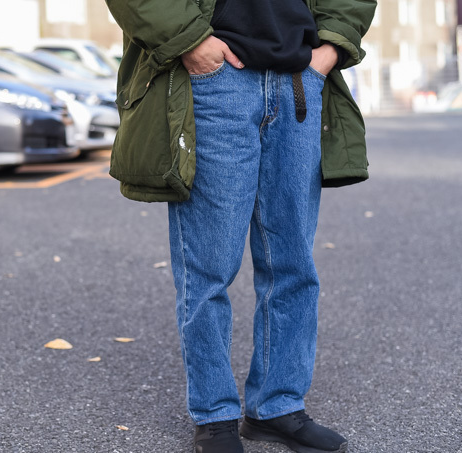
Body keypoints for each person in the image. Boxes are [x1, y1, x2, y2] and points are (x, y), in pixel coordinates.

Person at [105, 1, 376, 452]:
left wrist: (327, 52)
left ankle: (278, 406)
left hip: (298, 79)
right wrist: (191, 42)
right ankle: (214, 415)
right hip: (216, 79)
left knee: (293, 264)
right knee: (209, 266)